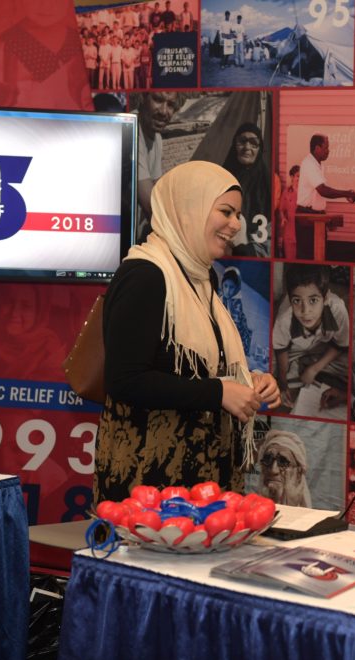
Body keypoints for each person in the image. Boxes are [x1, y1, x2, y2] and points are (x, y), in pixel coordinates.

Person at [94, 161, 281, 503]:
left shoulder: (199, 275)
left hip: (201, 486)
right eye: (225, 211)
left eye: (238, 215)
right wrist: (218, 393)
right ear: (188, 209)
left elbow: (194, 365)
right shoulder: (145, 276)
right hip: (150, 491)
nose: (235, 226)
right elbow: (124, 380)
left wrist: (248, 381)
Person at [272, 264, 350, 411]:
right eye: (297, 301)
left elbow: (341, 344)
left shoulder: (338, 308)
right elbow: (281, 349)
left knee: (348, 366)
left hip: (324, 346)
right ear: (290, 299)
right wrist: (282, 383)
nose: (305, 311)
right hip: (293, 349)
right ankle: (298, 369)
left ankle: (308, 367)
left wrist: (314, 369)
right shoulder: (284, 318)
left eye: (313, 300)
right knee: (272, 375)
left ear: (325, 298)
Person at [295, 134, 355, 259]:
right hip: (307, 217)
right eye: (326, 148)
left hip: (317, 218)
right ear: (317, 148)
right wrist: (346, 193)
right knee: (308, 257)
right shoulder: (309, 164)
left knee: (318, 256)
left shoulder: (318, 165)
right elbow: (323, 191)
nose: (328, 151)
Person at [135, 91, 183, 241]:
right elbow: (151, 205)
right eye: (157, 100)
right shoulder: (131, 129)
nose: (163, 111)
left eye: (171, 105)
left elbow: (157, 190)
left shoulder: (157, 138)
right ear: (142, 97)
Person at [222, 123, 271, 257]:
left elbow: (273, 228)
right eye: (242, 142)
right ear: (234, 145)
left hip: (253, 252)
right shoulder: (221, 178)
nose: (247, 148)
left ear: (260, 149)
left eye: (254, 143)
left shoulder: (268, 183)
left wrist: (251, 250)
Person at [258, 430, 312, 507]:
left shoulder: (308, 518)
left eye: (283, 462)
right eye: (267, 460)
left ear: (298, 473)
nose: (273, 470)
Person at [277, 164, 300, 259]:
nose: (300, 179)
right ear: (292, 177)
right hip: (289, 231)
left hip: (302, 232)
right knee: (290, 258)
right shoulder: (286, 192)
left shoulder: (306, 192)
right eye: (298, 176)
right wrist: (282, 218)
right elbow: (281, 209)